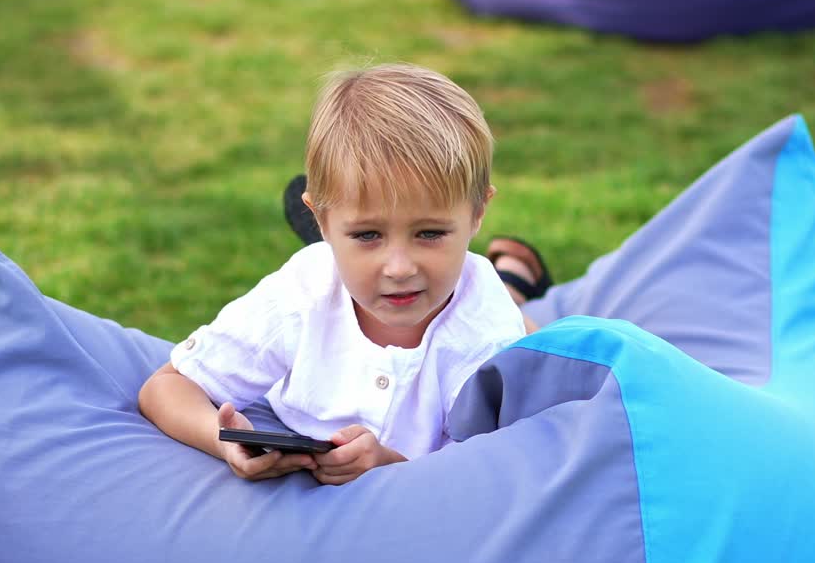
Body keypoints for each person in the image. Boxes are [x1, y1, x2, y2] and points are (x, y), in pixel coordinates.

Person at [138, 63, 553, 486]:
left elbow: (491, 478)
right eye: (368, 234)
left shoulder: (487, 338)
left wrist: (389, 465)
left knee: (514, 318)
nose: (399, 267)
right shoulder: (302, 294)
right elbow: (166, 387)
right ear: (319, 216)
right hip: (334, 271)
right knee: (361, 273)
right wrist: (223, 441)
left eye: (429, 233)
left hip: (476, 315)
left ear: (479, 211)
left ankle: (510, 279)